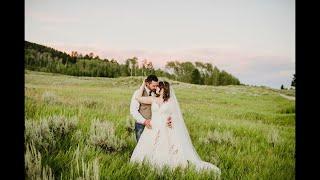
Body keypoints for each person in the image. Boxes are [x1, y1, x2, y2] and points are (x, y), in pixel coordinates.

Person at [129, 79, 221, 177]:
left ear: (162, 89)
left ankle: (165, 167)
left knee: (165, 150)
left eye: (158, 87)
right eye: (155, 86)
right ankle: (146, 164)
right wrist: (143, 83)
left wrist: (171, 120)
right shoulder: (153, 99)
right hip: (152, 127)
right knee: (147, 147)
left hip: (165, 129)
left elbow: (176, 116)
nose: (156, 88)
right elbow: (138, 97)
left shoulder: (170, 102)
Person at [130, 75, 172, 142]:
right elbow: (133, 111)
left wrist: (169, 119)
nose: (155, 88)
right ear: (147, 83)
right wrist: (144, 121)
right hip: (141, 125)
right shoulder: (138, 93)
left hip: (155, 126)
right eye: (153, 86)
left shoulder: (157, 93)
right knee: (141, 146)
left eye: (156, 86)